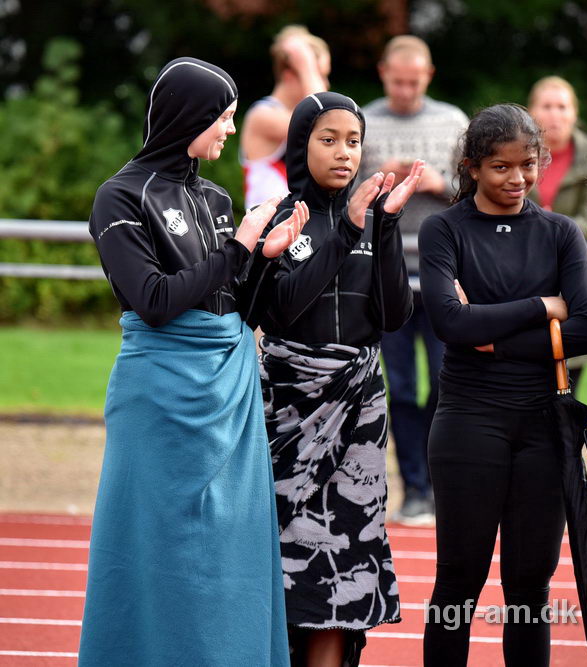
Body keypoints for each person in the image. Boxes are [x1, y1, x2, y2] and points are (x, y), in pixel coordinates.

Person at [79, 57, 307, 666]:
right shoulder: (119, 196)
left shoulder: (214, 195)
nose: (231, 131)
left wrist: (265, 257)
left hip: (228, 388)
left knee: (229, 546)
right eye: (224, 119)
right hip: (159, 391)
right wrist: (239, 249)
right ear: (191, 117)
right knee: (157, 543)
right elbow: (153, 301)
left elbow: (237, 304)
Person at [419, 103, 587, 666]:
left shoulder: (560, 234)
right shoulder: (443, 229)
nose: (518, 178)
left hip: (543, 426)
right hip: (469, 421)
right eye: (501, 167)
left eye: (528, 165)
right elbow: (450, 322)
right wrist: (539, 308)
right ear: (473, 167)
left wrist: (492, 334)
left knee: (529, 588)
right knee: (459, 580)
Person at [256, 91, 423, 667]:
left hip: (356, 412)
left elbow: (394, 315)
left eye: (354, 141)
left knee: (345, 557)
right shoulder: (278, 217)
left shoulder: (371, 214)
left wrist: (388, 226)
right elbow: (279, 309)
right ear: (302, 146)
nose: (344, 153)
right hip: (287, 407)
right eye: (329, 140)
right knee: (281, 557)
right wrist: (347, 234)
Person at [359, 35, 469, 525]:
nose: (405, 89)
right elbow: (340, 194)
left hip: (443, 272)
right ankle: (414, 489)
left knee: (448, 382)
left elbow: (478, 191)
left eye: (414, 80)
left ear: (429, 75)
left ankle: (442, 483)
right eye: (397, 80)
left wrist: (437, 185)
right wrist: (379, 180)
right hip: (386, 276)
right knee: (398, 388)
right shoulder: (362, 121)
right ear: (384, 73)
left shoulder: (453, 122)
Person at [527, 75, 587, 391]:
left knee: (567, 380)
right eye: (546, 106)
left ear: (574, 112)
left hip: (578, 276)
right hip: (523, 275)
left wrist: (554, 228)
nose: (554, 114)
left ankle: (564, 440)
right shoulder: (515, 150)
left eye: (562, 106)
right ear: (530, 111)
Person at [241, 25, 331, 209]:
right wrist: (306, 64)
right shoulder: (263, 115)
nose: (326, 84)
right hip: (268, 229)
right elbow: (325, 116)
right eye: (320, 75)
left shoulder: (288, 113)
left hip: (292, 227)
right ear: (289, 75)